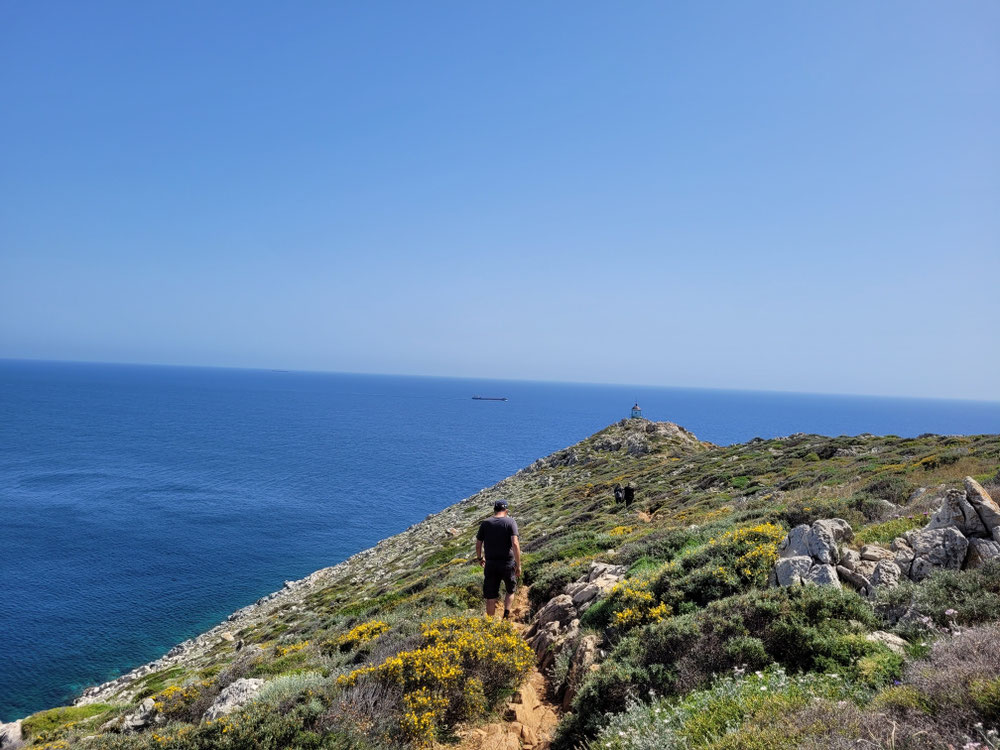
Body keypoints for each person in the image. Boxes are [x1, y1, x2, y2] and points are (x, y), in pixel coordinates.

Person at [475, 499, 521, 620]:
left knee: (490, 596)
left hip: (491, 564)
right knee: (510, 590)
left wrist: (480, 558)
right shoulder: (510, 522)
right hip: (508, 563)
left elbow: (478, 543)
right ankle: (506, 616)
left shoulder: (485, 523)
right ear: (506, 510)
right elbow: (515, 544)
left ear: (494, 510)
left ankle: (490, 623)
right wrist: (518, 564)